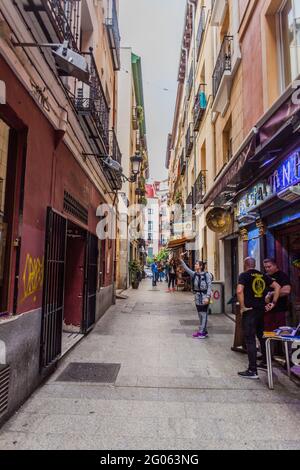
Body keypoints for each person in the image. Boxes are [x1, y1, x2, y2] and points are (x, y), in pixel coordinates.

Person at [236, 257, 281, 379]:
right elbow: (277, 287)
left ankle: (252, 370)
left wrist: (242, 306)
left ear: (245, 264)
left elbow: (239, 291)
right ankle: (266, 363)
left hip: (250, 311)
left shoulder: (244, 275)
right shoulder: (262, 275)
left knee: (250, 339)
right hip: (261, 310)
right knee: (261, 336)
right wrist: (273, 303)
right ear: (254, 264)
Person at [179, 252, 212, 339]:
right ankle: (203, 330)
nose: (195, 265)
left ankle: (202, 332)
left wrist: (208, 297)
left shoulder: (207, 275)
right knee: (200, 314)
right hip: (197, 297)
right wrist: (181, 260)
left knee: (204, 314)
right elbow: (186, 268)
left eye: (197, 264)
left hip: (204, 297)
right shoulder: (194, 274)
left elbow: (209, 286)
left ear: (201, 266)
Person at [263, 258, 291, 330]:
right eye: (265, 267)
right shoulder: (265, 276)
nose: (267, 269)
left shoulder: (282, 275)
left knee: (280, 334)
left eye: (269, 267)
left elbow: (287, 290)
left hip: (279, 310)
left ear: (275, 265)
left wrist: (271, 293)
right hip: (267, 310)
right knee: (268, 334)